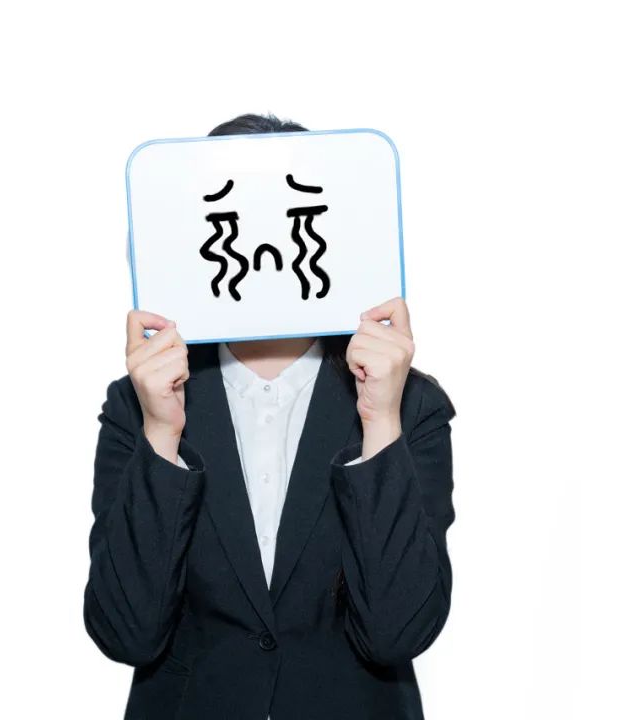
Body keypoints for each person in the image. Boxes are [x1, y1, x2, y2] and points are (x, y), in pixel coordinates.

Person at [83, 113, 457, 719]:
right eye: (230, 217)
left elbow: (399, 633)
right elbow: (126, 633)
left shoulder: (410, 404)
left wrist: (381, 423)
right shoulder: (137, 404)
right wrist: (161, 435)